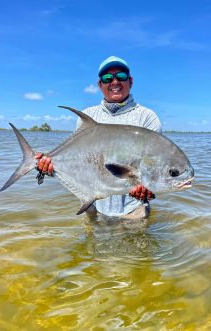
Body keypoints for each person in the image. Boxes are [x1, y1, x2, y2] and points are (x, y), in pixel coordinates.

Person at [36, 56, 162, 220]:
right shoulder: (87, 116)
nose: (115, 82)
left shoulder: (147, 118)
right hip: (93, 207)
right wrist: (50, 167)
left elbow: (154, 166)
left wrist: (148, 188)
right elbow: (79, 164)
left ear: (130, 81)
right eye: (108, 78)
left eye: (121, 77)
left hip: (134, 211)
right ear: (99, 84)